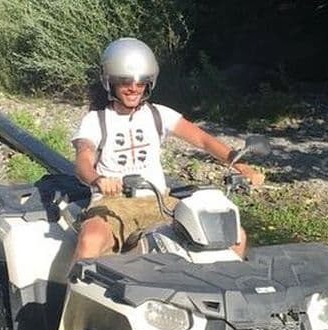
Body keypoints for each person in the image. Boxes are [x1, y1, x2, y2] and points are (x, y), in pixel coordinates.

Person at [71, 37, 264, 261]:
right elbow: (83, 160)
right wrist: (98, 180)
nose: (133, 88)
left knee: (233, 236)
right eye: (125, 81)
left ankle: (225, 292)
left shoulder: (158, 114)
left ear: (149, 83)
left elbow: (202, 140)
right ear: (109, 81)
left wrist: (242, 166)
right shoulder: (96, 120)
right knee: (91, 239)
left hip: (162, 202)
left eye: (140, 81)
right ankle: (71, 292)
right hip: (114, 204)